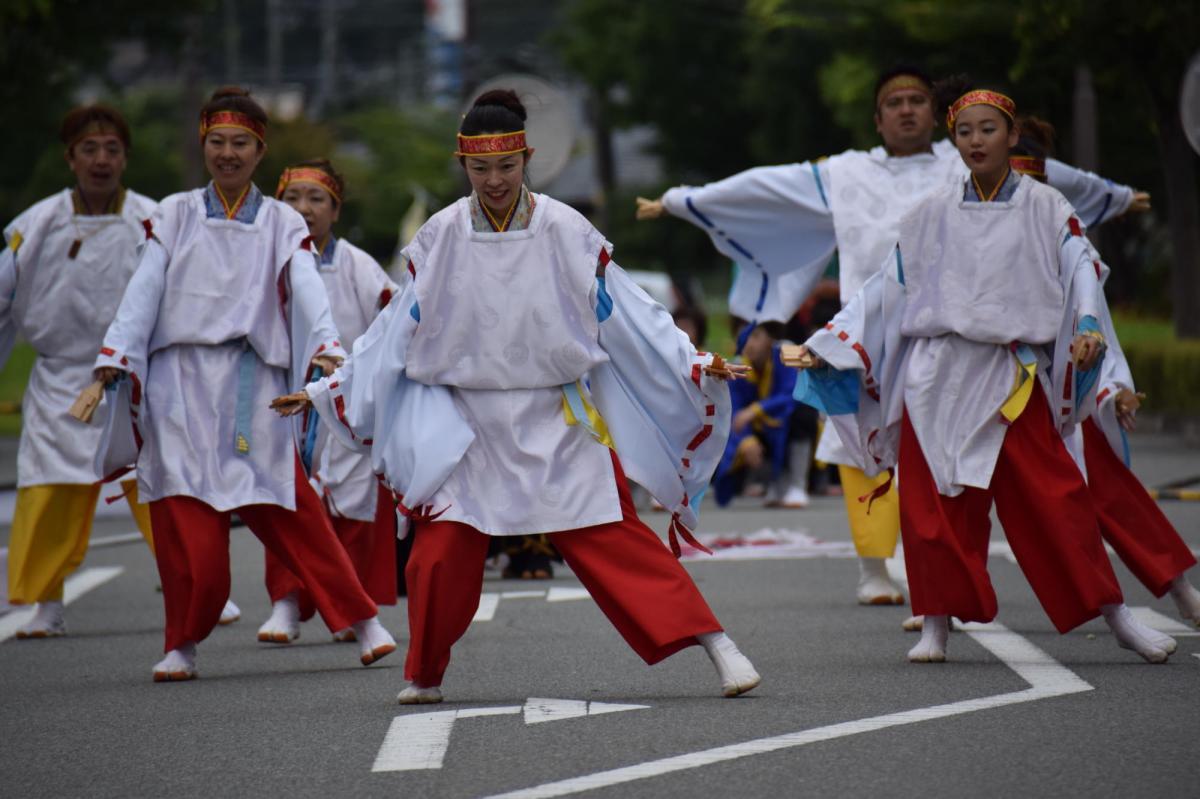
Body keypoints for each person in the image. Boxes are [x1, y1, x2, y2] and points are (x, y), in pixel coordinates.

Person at [272, 89, 761, 704]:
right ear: (463, 163)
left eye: (506, 166)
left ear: (526, 157)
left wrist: (692, 360)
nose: (495, 179)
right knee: (439, 555)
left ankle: (718, 644)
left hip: (557, 417)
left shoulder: (566, 228)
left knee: (615, 539)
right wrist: (328, 388)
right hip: (468, 424)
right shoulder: (440, 235)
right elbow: (391, 333)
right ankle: (424, 672)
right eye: (481, 168)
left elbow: (629, 312)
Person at [637, 64, 1151, 607]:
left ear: (936, 114)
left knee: (950, 462)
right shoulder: (846, 172)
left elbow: (1048, 182)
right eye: (893, 102)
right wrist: (681, 201)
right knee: (859, 441)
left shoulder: (968, 159)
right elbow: (767, 187)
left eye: (916, 100)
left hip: (955, 343)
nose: (906, 109)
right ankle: (875, 567)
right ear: (878, 121)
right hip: (872, 328)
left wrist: (1113, 197)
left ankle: (937, 577)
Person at [785, 80, 1175, 664]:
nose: (975, 141)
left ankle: (1117, 616)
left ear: (1011, 136)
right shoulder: (931, 214)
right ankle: (935, 625)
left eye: (988, 130)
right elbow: (886, 288)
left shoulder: (1047, 206)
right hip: (935, 376)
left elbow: (1080, 269)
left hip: (1008, 375)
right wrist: (832, 343)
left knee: (1059, 501)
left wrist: (1089, 326)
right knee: (933, 511)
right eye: (964, 132)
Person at [85, 87, 394, 681]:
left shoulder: (281, 220)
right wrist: (116, 354)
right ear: (204, 145)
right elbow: (145, 287)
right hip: (179, 386)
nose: (228, 154)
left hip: (252, 382)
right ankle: (182, 642)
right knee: (184, 522)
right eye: (218, 142)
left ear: (260, 150)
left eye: (241, 144)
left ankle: (364, 620)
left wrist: (327, 348)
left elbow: (306, 285)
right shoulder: (173, 212)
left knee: (295, 510)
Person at [0, 105, 240, 637]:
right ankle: (46, 603)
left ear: (125, 158)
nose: (101, 160)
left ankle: (203, 591)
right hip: (61, 379)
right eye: (89, 149)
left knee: (160, 487)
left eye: (112, 149)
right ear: (70, 159)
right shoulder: (32, 227)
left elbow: (192, 296)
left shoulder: (155, 219)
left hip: (137, 378)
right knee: (50, 489)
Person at [257, 159, 402, 643]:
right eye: (292, 198)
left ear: (335, 209)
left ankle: (350, 603)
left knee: (354, 508)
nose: (303, 209)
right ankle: (286, 604)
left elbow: (392, 318)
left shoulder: (357, 265)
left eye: (316, 199)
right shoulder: (264, 261)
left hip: (345, 404)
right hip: (281, 400)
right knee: (285, 501)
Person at [713, 320, 807, 507]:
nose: (749, 343)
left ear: (770, 339)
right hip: (759, 431)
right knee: (729, 434)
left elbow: (793, 394)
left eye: (755, 336)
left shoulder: (787, 354)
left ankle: (797, 485)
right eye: (743, 338)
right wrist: (745, 439)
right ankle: (770, 483)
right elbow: (733, 409)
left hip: (786, 424)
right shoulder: (737, 366)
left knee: (803, 415)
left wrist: (755, 410)